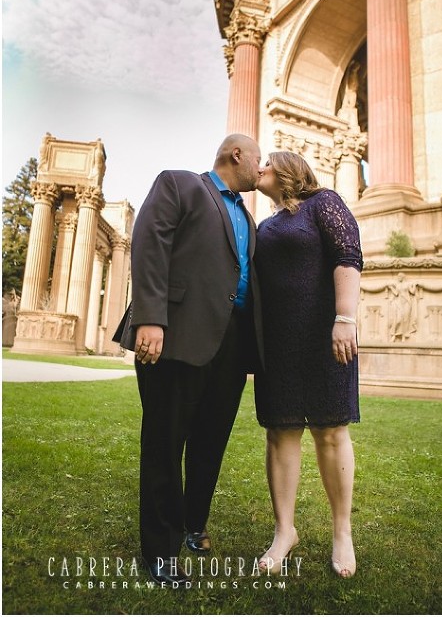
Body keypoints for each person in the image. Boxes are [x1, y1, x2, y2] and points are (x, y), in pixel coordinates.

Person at [113, 133, 262, 586]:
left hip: (231, 345)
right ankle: (160, 551)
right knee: (164, 442)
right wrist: (150, 318)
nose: (261, 167)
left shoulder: (249, 218)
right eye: (258, 159)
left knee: (210, 441)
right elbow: (149, 242)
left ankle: (194, 524)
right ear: (236, 154)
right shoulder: (179, 184)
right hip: (176, 335)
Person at [253, 150, 363, 579]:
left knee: (330, 430)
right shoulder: (264, 226)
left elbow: (348, 256)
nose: (259, 168)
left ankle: (342, 531)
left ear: (288, 169)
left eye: (267, 163)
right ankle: (285, 531)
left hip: (324, 335)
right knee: (280, 431)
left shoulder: (324, 203)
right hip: (278, 342)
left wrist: (345, 318)